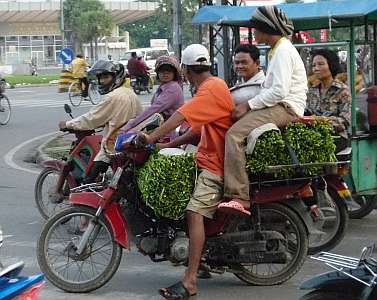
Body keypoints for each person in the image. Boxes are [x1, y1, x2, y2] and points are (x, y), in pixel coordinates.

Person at [136, 44, 233, 299]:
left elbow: (181, 116)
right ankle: (198, 259)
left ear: (187, 70)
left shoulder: (210, 89)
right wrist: (166, 144)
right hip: (204, 158)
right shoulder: (212, 87)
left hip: (216, 165)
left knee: (193, 212)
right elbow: (197, 130)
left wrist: (151, 137)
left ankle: (190, 281)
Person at [219, 5, 308, 214]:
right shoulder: (279, 49)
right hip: (281, 105)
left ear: (266, 28)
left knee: (233, 135)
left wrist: (247, 105)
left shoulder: (283, 50)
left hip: (285, 107)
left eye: (256, 29)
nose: (254, 33)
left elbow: (278, 91)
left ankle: (238, 196)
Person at [51, 60, 142, 202]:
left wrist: (68, 123)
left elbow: (91, 118)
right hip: (129, 143)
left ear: (116, 77)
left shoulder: (112, 97)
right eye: (100, 78)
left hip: (113, 146)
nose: (102, 81)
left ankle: (84, 219)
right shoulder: (130, 93)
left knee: (88, 182)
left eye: (106, 77)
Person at [122, 55, 184, 138]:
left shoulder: (173, 88)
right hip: (157, 130)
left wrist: (130, 125)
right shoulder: (164, 87)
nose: (165, 73)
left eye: (169, 71)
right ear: (157, 73)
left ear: (174, 73)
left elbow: (153, 110)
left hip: (165, 136)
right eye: (162, 71)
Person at [306, 49, 351, 152]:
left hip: (336, 137)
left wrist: (322, 121)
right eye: (314, 65)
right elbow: (307, 113)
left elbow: (345, 121)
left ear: (331, 65)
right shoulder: (312, 91)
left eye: (321, 64)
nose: (316, 68)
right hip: (314, 135)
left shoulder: (342, 90)